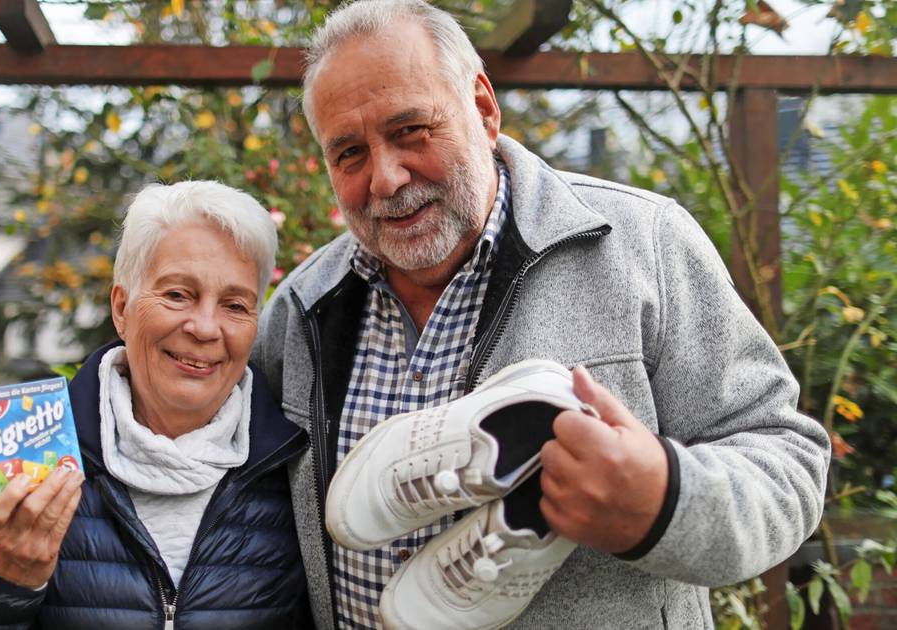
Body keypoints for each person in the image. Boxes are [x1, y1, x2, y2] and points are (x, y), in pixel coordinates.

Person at [252, 1, 832, 628]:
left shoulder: (643, 244)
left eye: (411, 130)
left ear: (482, 106)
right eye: (350, 154)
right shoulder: (302, 307)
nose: (386, 178)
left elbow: (788, 462)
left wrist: (665, 501)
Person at [0, 181, 310, 629]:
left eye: (235, 305)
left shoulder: (293, 471)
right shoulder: (29, 455)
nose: (205, 327)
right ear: (122, 308)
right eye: (178, 295)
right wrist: (5, 584)